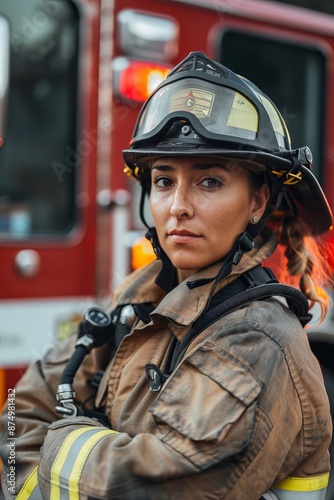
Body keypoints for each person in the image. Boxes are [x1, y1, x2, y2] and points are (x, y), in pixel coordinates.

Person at [0, 51, 333, 500]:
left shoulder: (257, 340)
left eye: (209, 181)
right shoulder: (139, 302)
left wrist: (62, 440)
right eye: (163, 180)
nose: (178, 205)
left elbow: (152, 488)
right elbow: (18, 410)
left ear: (258, 203)